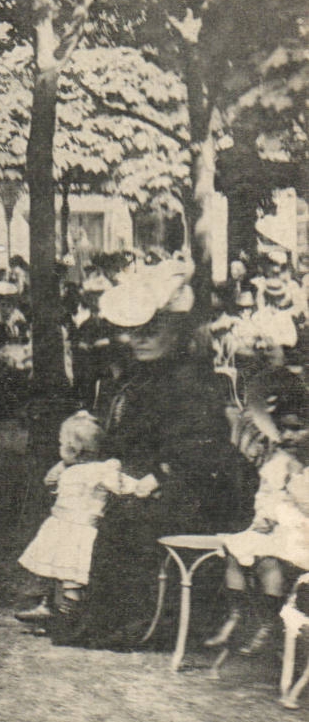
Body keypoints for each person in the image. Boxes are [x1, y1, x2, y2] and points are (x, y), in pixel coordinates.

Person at [56, 259, 256, 649]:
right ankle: (69, 599)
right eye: (134, 333)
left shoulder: (195, 380)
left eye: (152, 332)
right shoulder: (137, 378)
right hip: (148, 476)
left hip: (193, 486)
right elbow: (125, 439)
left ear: (177, 333)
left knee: (129, 516)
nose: (140, 340)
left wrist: (159, 476)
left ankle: (139, 622)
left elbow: (206, 447)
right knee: (81, 497)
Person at [15, 411, 158, 632]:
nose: (59, 448)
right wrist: (62, 465)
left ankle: (67, 617)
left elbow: (125, 486)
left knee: (71, 574)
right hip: (60, 524)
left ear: (73, 449)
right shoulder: (68, 470)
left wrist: (143, 488)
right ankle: (48, 606)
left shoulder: (103, 471)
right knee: (52, 568)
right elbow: (49, 482)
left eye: (61, 444)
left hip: (81, 529)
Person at [209, 376, 308, 657]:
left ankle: (267, 625)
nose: (287, 436)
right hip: (277, 530)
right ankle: (236, 616)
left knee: (268, 563)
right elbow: (265, 497)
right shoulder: (277, 464)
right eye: (283, 429)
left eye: (297, 429)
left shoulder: (300, 470)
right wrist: (262, 518)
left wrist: (295, 479)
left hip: (302, 535)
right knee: (236, 549)